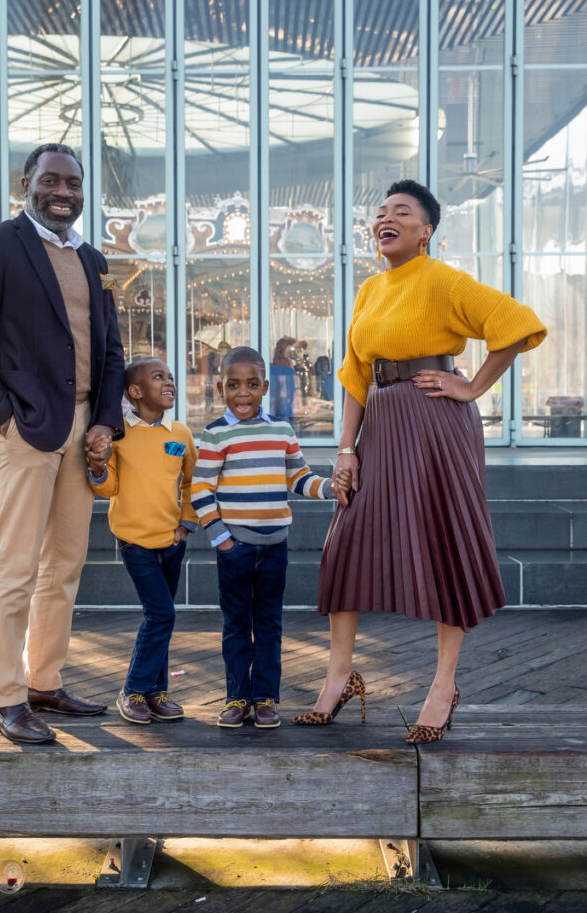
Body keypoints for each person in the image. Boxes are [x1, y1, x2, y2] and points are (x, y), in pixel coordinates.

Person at [293, 179, 547, 742]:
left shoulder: (444, 280)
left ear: (426, 229)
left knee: (444, 540)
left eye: (401, 212)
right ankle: (339, 677)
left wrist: (472, 387)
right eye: (380, 213)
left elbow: (518, 324)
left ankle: (443, 684)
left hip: (436, 424)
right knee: (348, 540)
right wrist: (344, 451)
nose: (386, 219)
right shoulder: (368, 291)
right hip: (380, 427)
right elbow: (356, 377)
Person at [0, 143, 125, 744]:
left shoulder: (92, 257)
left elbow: (110, 350)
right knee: (15, 565)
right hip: (26, 427)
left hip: (82, 431)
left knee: (65, 564)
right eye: (51, 180)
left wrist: (105, 422)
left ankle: (43, 679)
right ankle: (4, 695)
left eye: (73, 183)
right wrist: (1, 417)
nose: (64, 192)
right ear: (27, 183)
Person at [191, 346, 351, 729]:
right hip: (236, 548)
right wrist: (222, 539)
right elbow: (200, 490)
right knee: (235, 625)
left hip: (274, 547)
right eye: (233, 385)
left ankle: (264, 698)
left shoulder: (281, 430)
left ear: (265, 386)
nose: (242, 393)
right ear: (220, 388)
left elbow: (299, 478)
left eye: (250, 384)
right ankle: (236, 698)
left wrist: (329, 487)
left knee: (268, 625)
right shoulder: (216, 434)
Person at [86, 357, 197, 726]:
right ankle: (133, 689)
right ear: (135, 392)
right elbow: (109, 486)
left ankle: (156, 692)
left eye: (170, 376)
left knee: (159, 619)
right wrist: (98, 468)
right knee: (161, 614)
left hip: (173, 541)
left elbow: (190, 483)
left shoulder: (180, 434)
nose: (169, 382)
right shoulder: (118, 434)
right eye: (158, 377)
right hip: (135, 542)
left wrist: (186, 524)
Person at [270, 336, 297, 421]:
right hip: (285, 409)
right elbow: (287, 392)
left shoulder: (273, 367)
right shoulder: (286, 368)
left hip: (277, 408)